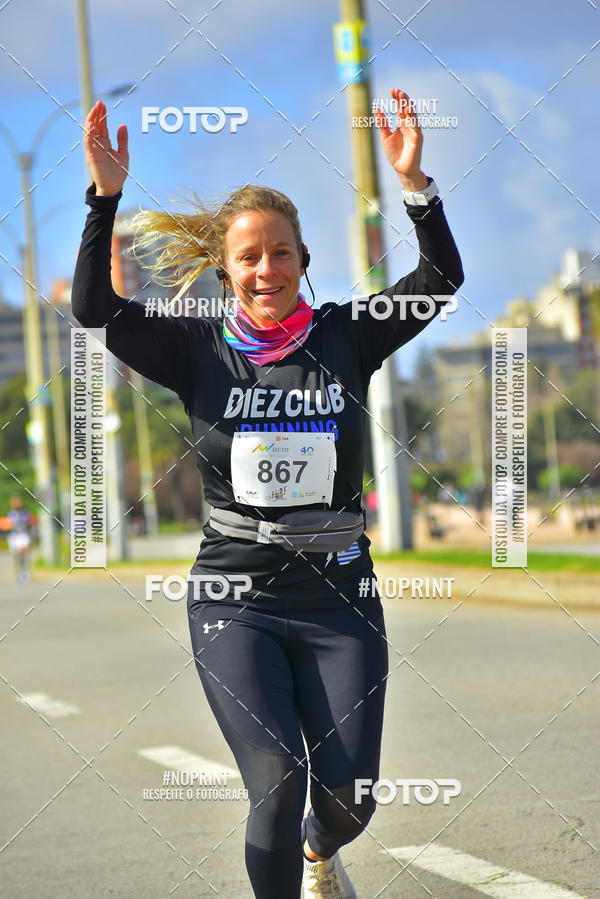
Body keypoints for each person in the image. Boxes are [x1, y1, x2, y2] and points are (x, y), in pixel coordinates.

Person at [72, 89, 464, 898]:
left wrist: (416, 186)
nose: (265, 270)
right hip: (237, 594)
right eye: (249, 257)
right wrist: (104, 199)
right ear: (226, 270)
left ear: (303, 260)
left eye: (280, 253)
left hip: (340, 595)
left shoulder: (346, 335)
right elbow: (95, 308)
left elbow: (439, 277)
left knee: (350, 799)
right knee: (279, 776)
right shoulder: (194, 350)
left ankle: (325, 852)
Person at [4, 494, 35, 583]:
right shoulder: (10, 513)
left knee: (24, 553)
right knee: (17, 555)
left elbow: (30, 524)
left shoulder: (25, 512)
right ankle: (19, 572)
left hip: (23, 535)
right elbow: (8, 525)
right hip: (14, 536)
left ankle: (25, 571)